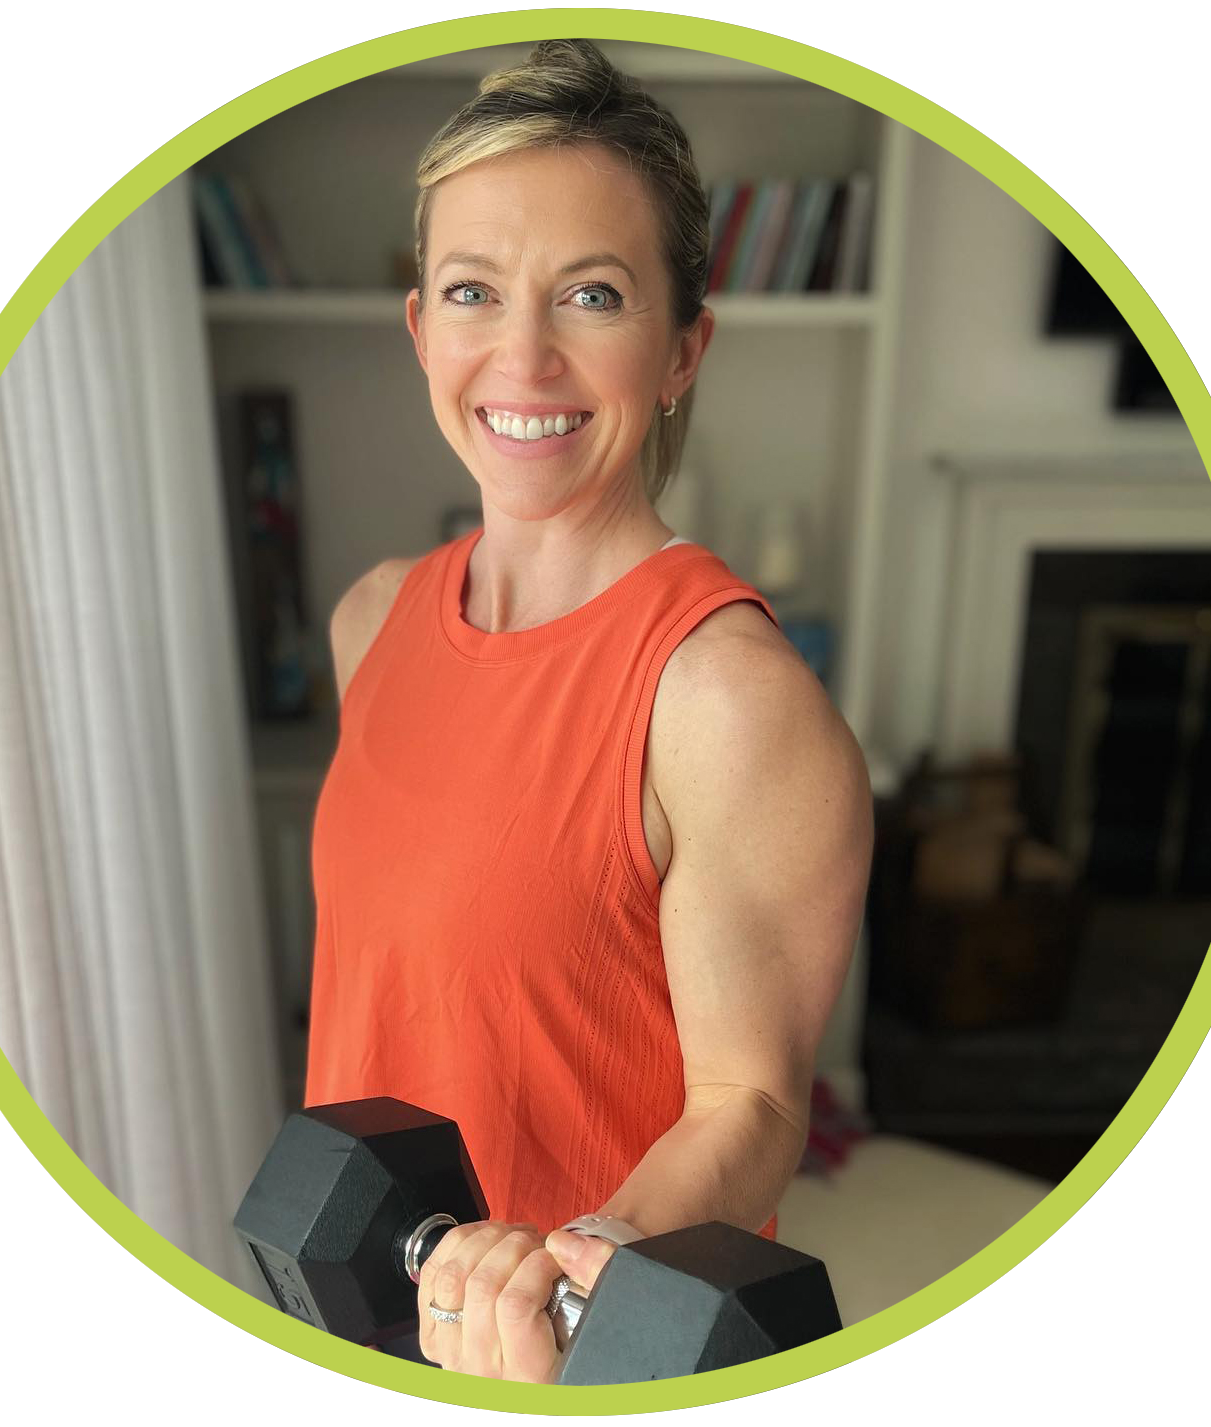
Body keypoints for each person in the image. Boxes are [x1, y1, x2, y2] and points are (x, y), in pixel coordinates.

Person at [304, 39, 873, 1383]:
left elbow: (750, 1107)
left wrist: (572, 1270)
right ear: (419, 327)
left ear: (682, 350)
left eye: (594, 295)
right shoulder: (372, 616)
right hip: (352, 1303)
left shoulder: (727, 695)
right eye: (471, 291)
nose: (522, 355)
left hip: (570, 1352)